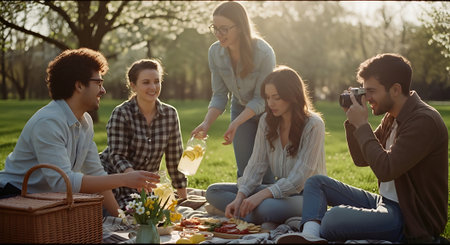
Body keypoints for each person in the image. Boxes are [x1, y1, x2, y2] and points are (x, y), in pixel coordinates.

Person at [276, 53, 448, 244]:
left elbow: (386, 169)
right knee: (316, 183)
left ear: (396, 89)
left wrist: (362, 125)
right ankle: (310, 234)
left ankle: (316, 227)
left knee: (334, 219)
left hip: (410, 218)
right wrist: (353, 122)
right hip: (386, 203)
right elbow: (362, 159)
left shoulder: (423, 121)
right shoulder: (393, 117)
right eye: (364, 91)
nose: (367, 98)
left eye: (371, 91)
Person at [0, 48, 160, 217]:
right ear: (79, 85)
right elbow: (63, 183)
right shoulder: (49, 122)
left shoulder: (85, 122)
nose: (103, 90)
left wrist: (121, 219)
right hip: (15, 200)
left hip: (47, 203)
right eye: (98, 83)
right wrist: (124, 178)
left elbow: (96, 174)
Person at [205, 66, 326, 227]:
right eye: (267, 97)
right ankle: (245, 211)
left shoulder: (314, 125)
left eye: (276, 97)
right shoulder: (266, 122)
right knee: (214, 191)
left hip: (308, 197)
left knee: (265, 207)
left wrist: (261, 195)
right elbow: (256, 165)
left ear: (292, 96)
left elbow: (300, 178)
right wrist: (240, 197)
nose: (270, 103)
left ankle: (238, 213)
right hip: (280, 192)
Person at [191, 1, 276, 184]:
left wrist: (236, 123)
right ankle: (244, 207)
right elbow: (220, 95)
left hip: (269, 111)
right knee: (245, 170)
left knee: (265, 169)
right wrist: (206, 123)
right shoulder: (214, 52)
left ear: (240, 27)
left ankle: (271, 209)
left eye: (224, 29)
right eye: (215, 28)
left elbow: (261, 98)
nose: (218, 34)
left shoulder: (264, 52)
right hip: (240, 106)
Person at [100, 59, 187, 209]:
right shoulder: (121, 113)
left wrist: (183, 198)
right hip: (114, 179)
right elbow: (117, 156)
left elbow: (175, 158)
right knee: (128, 217)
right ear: (133, 86)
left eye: (156, 81)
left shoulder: (170, 114)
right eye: (146, 82)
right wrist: (134, 178)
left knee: (160, 215)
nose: (153, 87)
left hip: (145, 186)